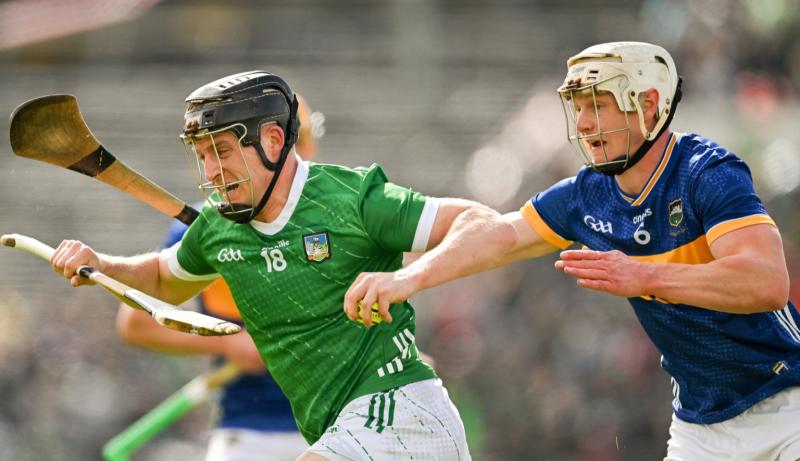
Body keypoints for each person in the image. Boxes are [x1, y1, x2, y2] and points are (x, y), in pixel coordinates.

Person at [344, 41, 800, 461]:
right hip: (701, 426)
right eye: (579, 108)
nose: (583, 124)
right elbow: (499, 236)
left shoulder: (707, 173)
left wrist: (645, 276)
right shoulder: (587, 195)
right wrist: (410, 278)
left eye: (598, 106)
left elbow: (766, 281)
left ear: (649, 105)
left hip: (786, 402)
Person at [50, 70, 478, 460]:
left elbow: (471, 225)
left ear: (279, 140)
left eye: (221, 151)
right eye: (204, 154)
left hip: (375, 416)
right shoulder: (214, 228)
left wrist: (403, 313)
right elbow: (150, 300)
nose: (212, 171)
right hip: (271, 425)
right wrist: (228, 341)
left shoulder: (340, 204)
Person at [113, 94, 324, 461]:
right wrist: (230, 343)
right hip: (252, 431)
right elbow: (136, 323)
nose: (299, 154)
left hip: (340, 423)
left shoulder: (334, 214)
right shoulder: (205, 226)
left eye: (301, 140)